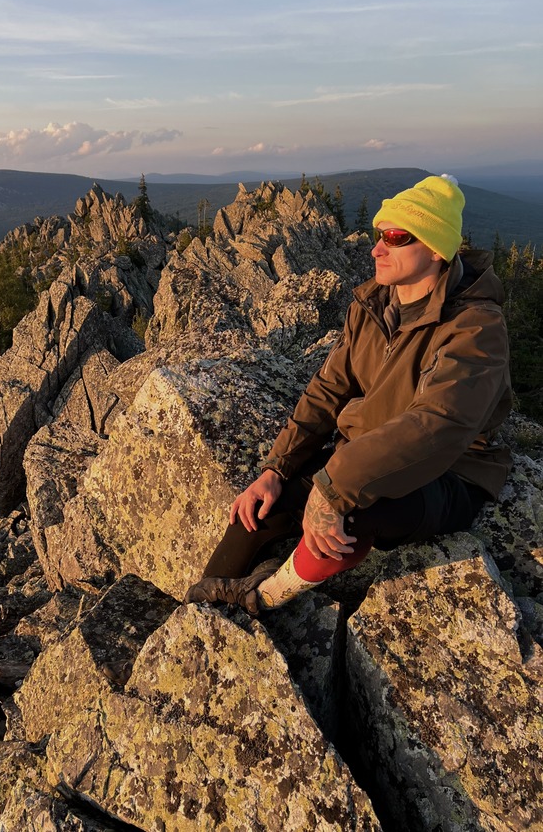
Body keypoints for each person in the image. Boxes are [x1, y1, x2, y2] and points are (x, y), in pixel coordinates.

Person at [185, 174, 513, 614]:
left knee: (349, 519)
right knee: (257, 512)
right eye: (380, 235)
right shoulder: (373, 306)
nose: (377, 249)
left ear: (437, 249)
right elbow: (328, 391)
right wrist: (277, 468)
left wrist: (334, 488)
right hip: (364, 455)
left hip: (448, 474)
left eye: (395, 237)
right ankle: (197, 613)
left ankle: (264, 595)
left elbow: (438, 424)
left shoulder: (475, 327)